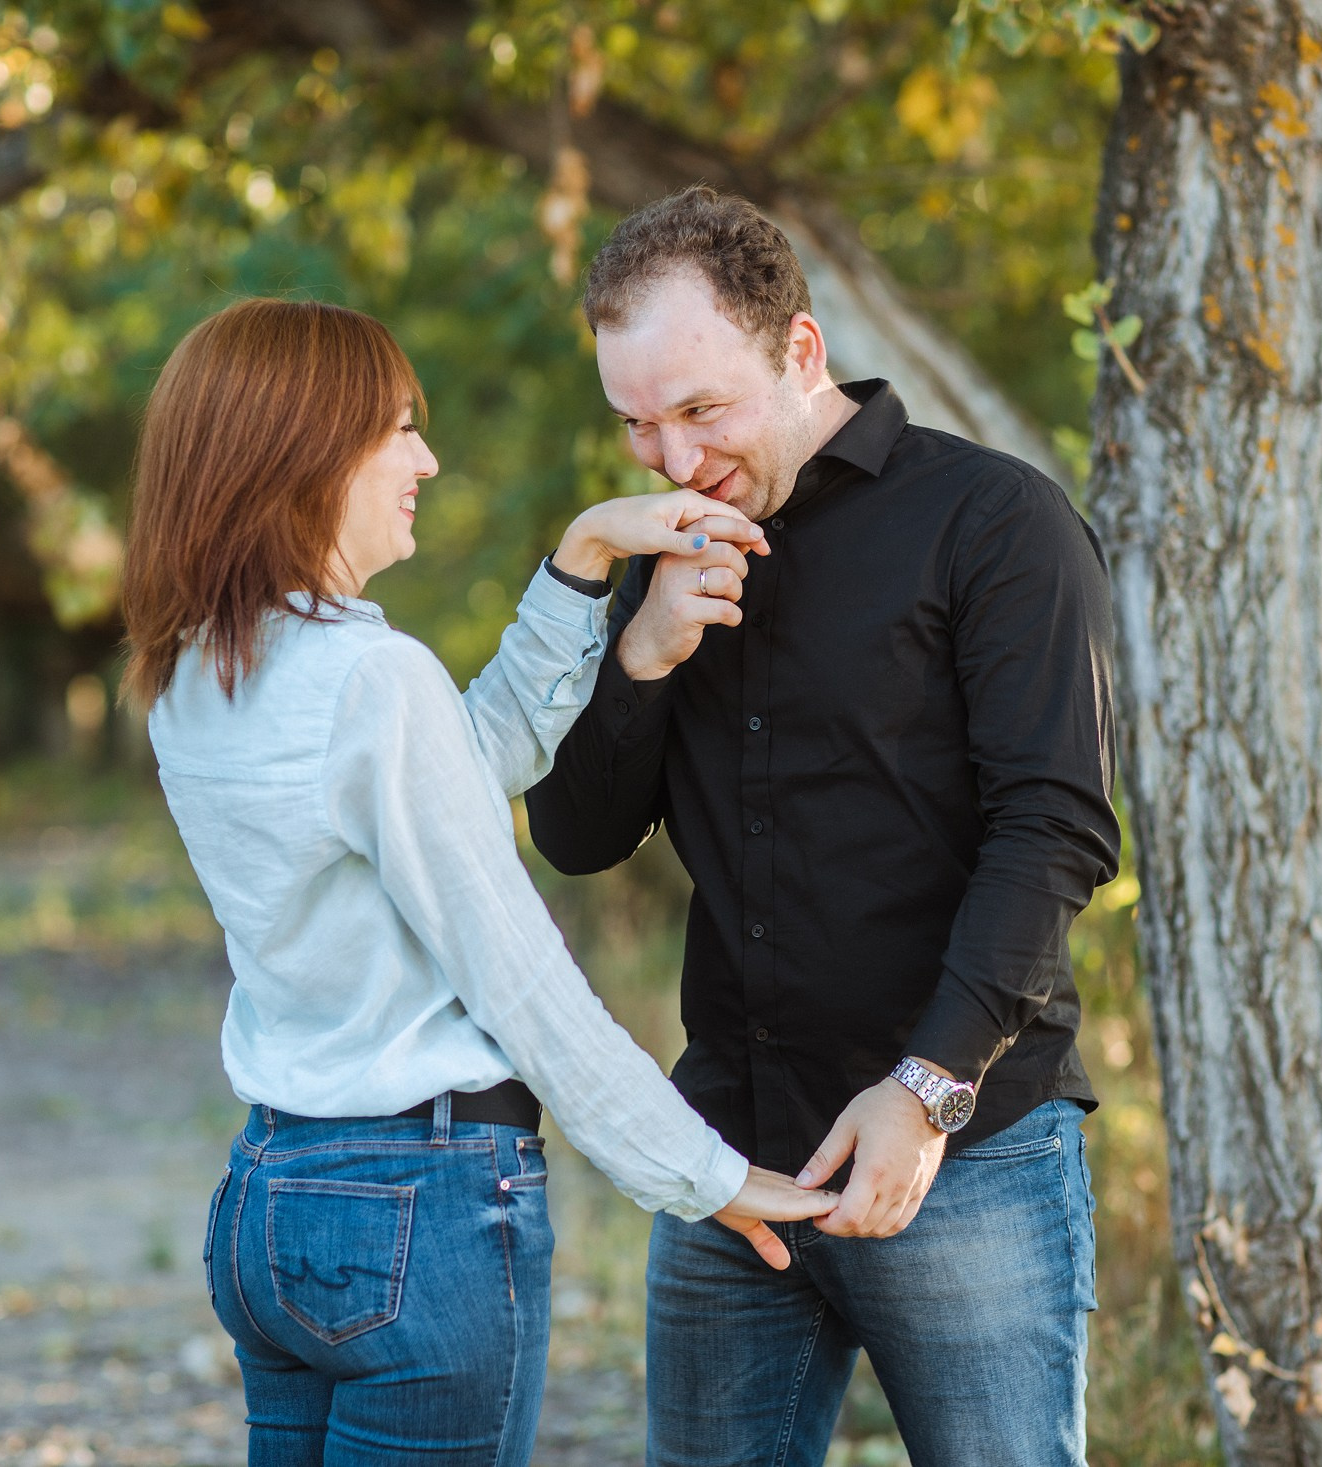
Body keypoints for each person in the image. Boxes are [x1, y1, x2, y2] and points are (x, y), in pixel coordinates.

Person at [122, 298, 836, 1467]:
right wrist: (702, 1176)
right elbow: (520, 980)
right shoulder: (368, 677)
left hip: (273, 1198)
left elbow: (449, 775)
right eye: (397, 429)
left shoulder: (202, 670)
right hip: (419, 1211)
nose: (426, 459)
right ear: (305, 453)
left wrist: (581, 563)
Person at [528, 188, 1123, 1466]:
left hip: (963, 1159)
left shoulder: (994, 524)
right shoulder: (663, 550)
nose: (676, 461)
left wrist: (927, 1086)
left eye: (702, 411)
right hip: (726, 1165)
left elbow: (1056, 829)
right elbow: (576, 838)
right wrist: (640, 651)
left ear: (800, 352)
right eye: (637, 424)